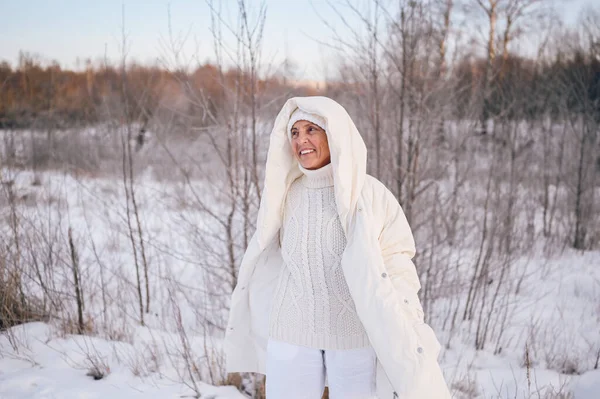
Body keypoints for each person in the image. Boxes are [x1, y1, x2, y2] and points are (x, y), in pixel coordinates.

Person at [224, 96, 451, 399]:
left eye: (311, 130)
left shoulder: (369, 194)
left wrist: (406, 313)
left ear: (335, 133)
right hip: (291, 331)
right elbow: (270, 256)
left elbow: (397, 258)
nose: (301, 140)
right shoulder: (285, 193)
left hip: (353, 334)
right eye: (294, 132)